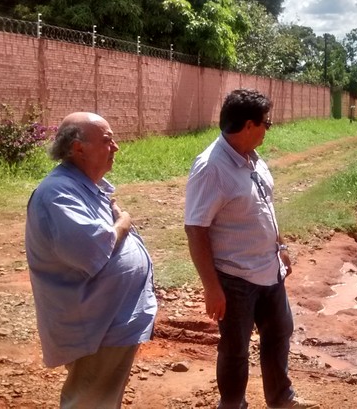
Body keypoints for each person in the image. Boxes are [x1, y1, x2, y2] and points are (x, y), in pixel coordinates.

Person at [184, 89, 319, 409]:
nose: (268, 128)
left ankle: (280, 398)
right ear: (248, 125)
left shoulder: (252, 159)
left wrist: (281, 245)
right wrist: (211, 287)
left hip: (269, 268)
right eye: (266, 123)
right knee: (235, 348)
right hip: (235, 277)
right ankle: (232, 404)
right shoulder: (211, 168)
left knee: (279, 333)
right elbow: (195, 228)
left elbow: (266, 206)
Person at [25, 112, 157, 408]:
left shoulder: (85, 185)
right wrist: (123, 222)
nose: (116, 147)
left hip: (108, 319)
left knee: (102, 396)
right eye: (107, 140)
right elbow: (90, 248)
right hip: (96, 326)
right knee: (90, 400)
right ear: (78, 148)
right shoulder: (58, 193)